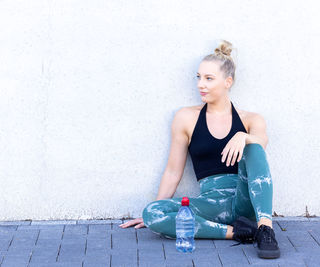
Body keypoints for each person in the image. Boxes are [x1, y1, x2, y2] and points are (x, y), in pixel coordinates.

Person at [118, 40, 280, 259]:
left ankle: (265, 229)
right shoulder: (186, 118)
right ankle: (237, 233)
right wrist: (159, 206)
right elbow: (173, 172)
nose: (200, 85)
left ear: (228, 82)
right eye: (199, 77)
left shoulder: (251, 119)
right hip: (210, 205)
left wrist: (243, 136)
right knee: (151, 213)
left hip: (246, 201)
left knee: (253, 147)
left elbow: (260, 149)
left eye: (209, 78)